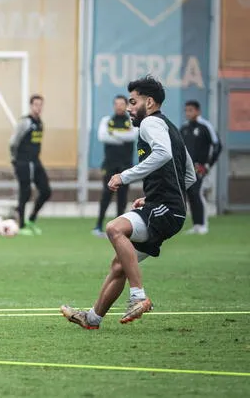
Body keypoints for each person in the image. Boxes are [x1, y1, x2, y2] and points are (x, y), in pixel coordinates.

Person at [61, 75, 196, 329]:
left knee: (114, 228)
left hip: (164, 210)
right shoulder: (170, 127)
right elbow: (189, 174)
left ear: (150, 102)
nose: (131, 108)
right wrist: (155, 195)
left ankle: (138, 296)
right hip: (169, 209)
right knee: (119, 263)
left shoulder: (150, 124)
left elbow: (163, 154)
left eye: (134, 102)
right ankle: (92, 318)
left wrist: (124, 176)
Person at [92, 95, 138, 237]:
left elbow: (132, 136)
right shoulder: (107, 120)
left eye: (122, 104)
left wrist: (113, 134)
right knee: (106, 195)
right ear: (113, 106)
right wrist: (122, 136)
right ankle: (98, 226)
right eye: (116, 104)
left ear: (126, 106)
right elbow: (102, 136)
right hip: (110, 165)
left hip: (125, 166)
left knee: (122, 197)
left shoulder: (132, 120)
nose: (119, 106)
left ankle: (119, 227)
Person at [9, 94, 52, 236]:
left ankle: (31, 219)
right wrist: (15, 159)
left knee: (46, 191)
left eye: (41, 105)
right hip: (23, 162)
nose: (38, 108)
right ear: (31, 106)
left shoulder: (40, 123)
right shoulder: (25, 122)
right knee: (25, 192)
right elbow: (13, 142)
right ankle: (20, 225)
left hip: (35, 161)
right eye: (36, 105)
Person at [180, 100, 221, 235]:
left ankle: (203, 224)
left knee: (198, 193)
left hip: (200, 168)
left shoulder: (205, 126)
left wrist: (208, 165)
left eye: (191, 110)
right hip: (187, 168)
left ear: (198, 111)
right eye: (186, 110)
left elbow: (217, 146)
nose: (188, 113)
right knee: (191, 194)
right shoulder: (184, 128)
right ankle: (196, 225)